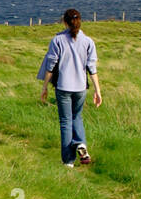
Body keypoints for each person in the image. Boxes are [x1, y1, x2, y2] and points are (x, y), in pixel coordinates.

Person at [37, 9, 102, 167]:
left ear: (65, 22)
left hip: (63, 87)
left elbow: (50, 66)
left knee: (66, 121)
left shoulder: (57, 40)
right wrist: (98, 91)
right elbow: (92, 68)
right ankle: (81, 144)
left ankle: (68, 161)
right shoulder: (88, 41)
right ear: (80, 21)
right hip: (81, 88)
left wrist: (44, 87)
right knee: (76, 117)